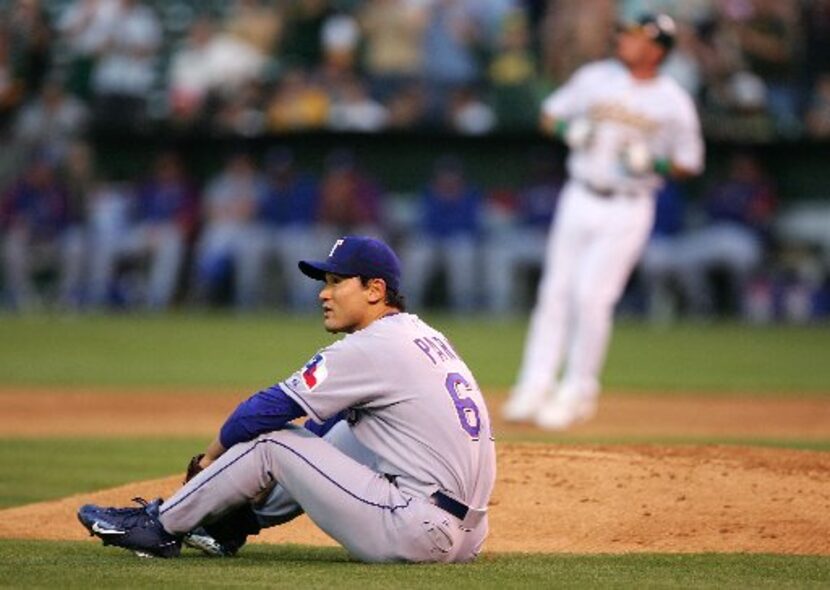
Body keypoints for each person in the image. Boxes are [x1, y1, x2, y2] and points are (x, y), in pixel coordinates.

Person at [77, 235, 496, 563]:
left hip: (417, 531)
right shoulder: (424, 335)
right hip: (468, 535)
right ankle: (227, 524)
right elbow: (320, 428)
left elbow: (264, 411)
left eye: (336, 282)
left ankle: (160, 526)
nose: (323, 294)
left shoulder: (369, 347)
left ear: (375, 290)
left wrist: (207, 462)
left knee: (273, 440)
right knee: (340, 430)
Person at [501, 14, 704, 430]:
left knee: (591, 297)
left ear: (657, 50)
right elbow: (549, 114)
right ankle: (534, 384)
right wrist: (568, 129)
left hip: (628, 205)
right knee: (555, 291)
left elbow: (689, 162)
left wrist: (655, 162)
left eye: (636, 37)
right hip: (579, 193)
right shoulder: (595, 77)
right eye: (626, 34)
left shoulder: (672, 99)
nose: (625, 41)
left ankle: (577, 391)